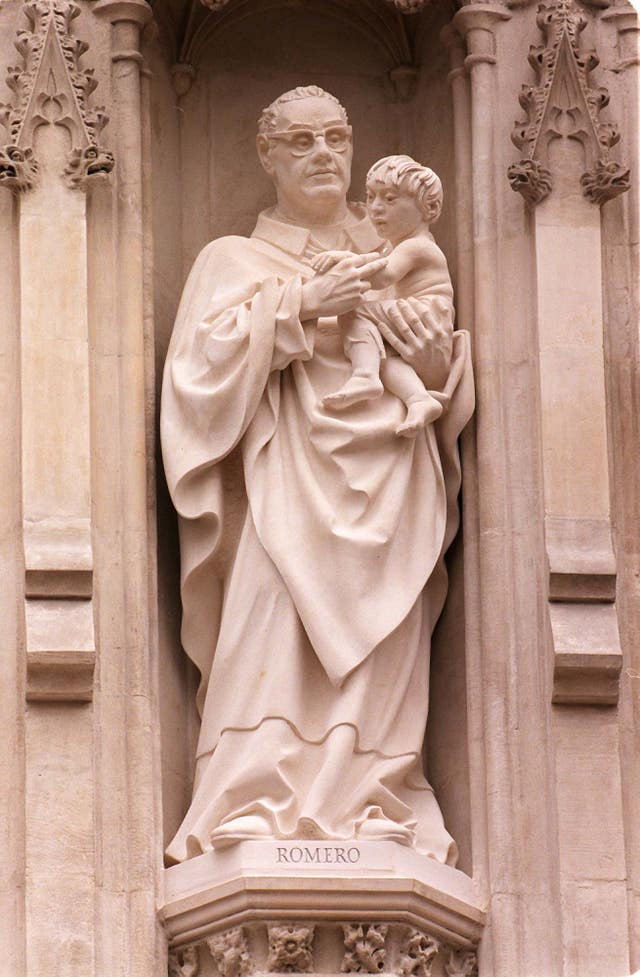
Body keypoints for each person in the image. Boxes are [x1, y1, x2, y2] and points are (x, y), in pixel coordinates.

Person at [161, 85, 474, 864]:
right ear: (267, 156)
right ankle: (252, 798)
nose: (323, 155)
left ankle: (376, 803)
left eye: (335, 137)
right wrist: (302, 300)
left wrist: (429, 352)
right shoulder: (231, 259)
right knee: (271, 616)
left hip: (393, 479)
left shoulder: (392, 256)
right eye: (300, 142)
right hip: (281, 487)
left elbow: (440, 368)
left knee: (384, 636)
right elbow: (195, 374)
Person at [313, 155, 454, 438]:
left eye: (389, 199)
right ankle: (418, 399)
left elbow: (382, 276)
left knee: (353, 310)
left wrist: (343, 266)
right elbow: (376, 260)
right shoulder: (399, 246)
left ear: (428, 208)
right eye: (371, 197)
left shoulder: (417, 247)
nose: (376, 208)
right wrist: (345, 258)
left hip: (422, 313)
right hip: (414, 317)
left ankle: (365, 376)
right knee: (384, 354)